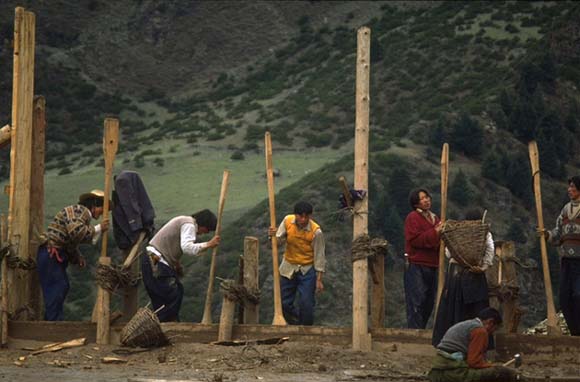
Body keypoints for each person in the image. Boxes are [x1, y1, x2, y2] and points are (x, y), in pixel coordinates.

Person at [37, 190, 109, 321]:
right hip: (50, 255)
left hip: (51, 256)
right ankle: (53, 324)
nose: (103, 213)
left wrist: (77, 257)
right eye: (101, 209)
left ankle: (53, 322)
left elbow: (72, 239)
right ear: (94, 206)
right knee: (57, 288)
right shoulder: (80, 211)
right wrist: (99, 228)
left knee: (60, 287)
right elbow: (76, 233)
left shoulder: (79, 215)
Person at [142, 209, 220, 322]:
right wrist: (209, 244)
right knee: (173, 292)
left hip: (152, 259)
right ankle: (167, 323)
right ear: (204, 224)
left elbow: (171, 244)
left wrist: (176, 265)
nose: (203, 233)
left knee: (161, 297)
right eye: (206, 230)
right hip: (155, 259)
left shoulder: (184, 221)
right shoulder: (189, 224)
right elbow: (187, 247)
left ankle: (163, 322)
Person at [432, 208, 494, 346]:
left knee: (454, 310)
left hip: (456, 275)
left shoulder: (456, 233)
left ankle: (451, 343)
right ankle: (475, 345)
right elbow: (490, 251)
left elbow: (449, 253)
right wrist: (483, 267)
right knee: (476, 311)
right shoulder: (484, 233)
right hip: (475, 274)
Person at [268, 201, 325, 325]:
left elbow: (319, 255)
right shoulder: (288, 221)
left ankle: (306, 329)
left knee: (306, 303)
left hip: (307, 269)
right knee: (283, 303)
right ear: (296, 215)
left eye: (306, 216)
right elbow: (278, 242)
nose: (303, 219)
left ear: (310, 216)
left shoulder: (316, 231)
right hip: (288, 266)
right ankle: (295, 323)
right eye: (300, 216)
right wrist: (273, 236)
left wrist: (319, 279)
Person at [428, 307, 519, 382]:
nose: (492, 332)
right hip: (453, 373)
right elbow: (474, 362)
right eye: (494, 328)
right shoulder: (480, 331)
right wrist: (492, 366)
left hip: (438, 371)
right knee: (500, 372)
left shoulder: (466, 325)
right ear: (490, 322)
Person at [540, 176, 580, 336]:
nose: (569, 189)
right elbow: (558, 232)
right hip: (566, 261)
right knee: (564, 298)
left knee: (578, 296)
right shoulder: (565, 210)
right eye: (569, 186)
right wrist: (546, 235)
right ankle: (575, 333)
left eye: (572, 187)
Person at [404, 188, 442, 329]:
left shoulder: (435, 218)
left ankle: (422, 329)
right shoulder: (413, 217)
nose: (426, 200)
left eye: (427, 197)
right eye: (422, 198)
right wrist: (435, 232)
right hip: (416, 264)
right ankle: (415, 331)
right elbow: (415, 240)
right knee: (416, 300)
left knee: (429, 301)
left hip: (433, 264)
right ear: (416, 203)